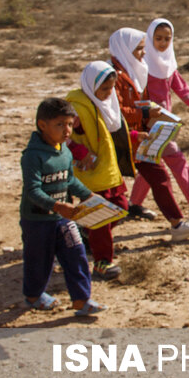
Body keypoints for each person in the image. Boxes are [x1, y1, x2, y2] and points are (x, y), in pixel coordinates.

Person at [108, 28, 189, 241]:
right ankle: (89, 235)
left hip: (139, 137)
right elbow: (114, 112)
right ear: (125, 49)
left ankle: (177, 224)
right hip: (118, 140)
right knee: (113, 196)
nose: (144, 53)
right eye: (139, 49)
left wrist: (153, 114)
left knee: (159, 176)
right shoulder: (113, 76)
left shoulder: (135, 71)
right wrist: (144, 112)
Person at [127, 18, 189, 223]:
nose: (162, 43)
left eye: (167, 39)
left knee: (151, 161)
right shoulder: (141, 65)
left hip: (165, 123)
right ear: (150, 38)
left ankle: (133, 204)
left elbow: (182, 88)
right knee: (176, 159)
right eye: (158, 38)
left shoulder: (168, 64)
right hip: (149, 124)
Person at [19, 97, 104, 315]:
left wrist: (87, 195)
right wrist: (57, 206)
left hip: (64, 218)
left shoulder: (64, 151)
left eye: (69, 124)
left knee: (76, 254)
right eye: (60, 125)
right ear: (42, 125)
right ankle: (33, 296)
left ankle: (81, 300)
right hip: (38, 221)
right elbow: (32, 191)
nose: (67, 130)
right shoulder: (33, 156)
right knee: (39, 260)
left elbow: (69, 180)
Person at [66, 62, 136, 280]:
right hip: (91, 172)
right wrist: (80, 152)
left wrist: (135, 138)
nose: (108, 94)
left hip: (107, 169)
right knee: (101, 217)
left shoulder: (107, 106)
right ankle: (102, 262)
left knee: (121, 207)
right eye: (104, 89)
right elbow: (64, 135)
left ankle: (87, 229)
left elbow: (111, 136)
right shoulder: (78, 107)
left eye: (111, 89)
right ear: (90, 85)